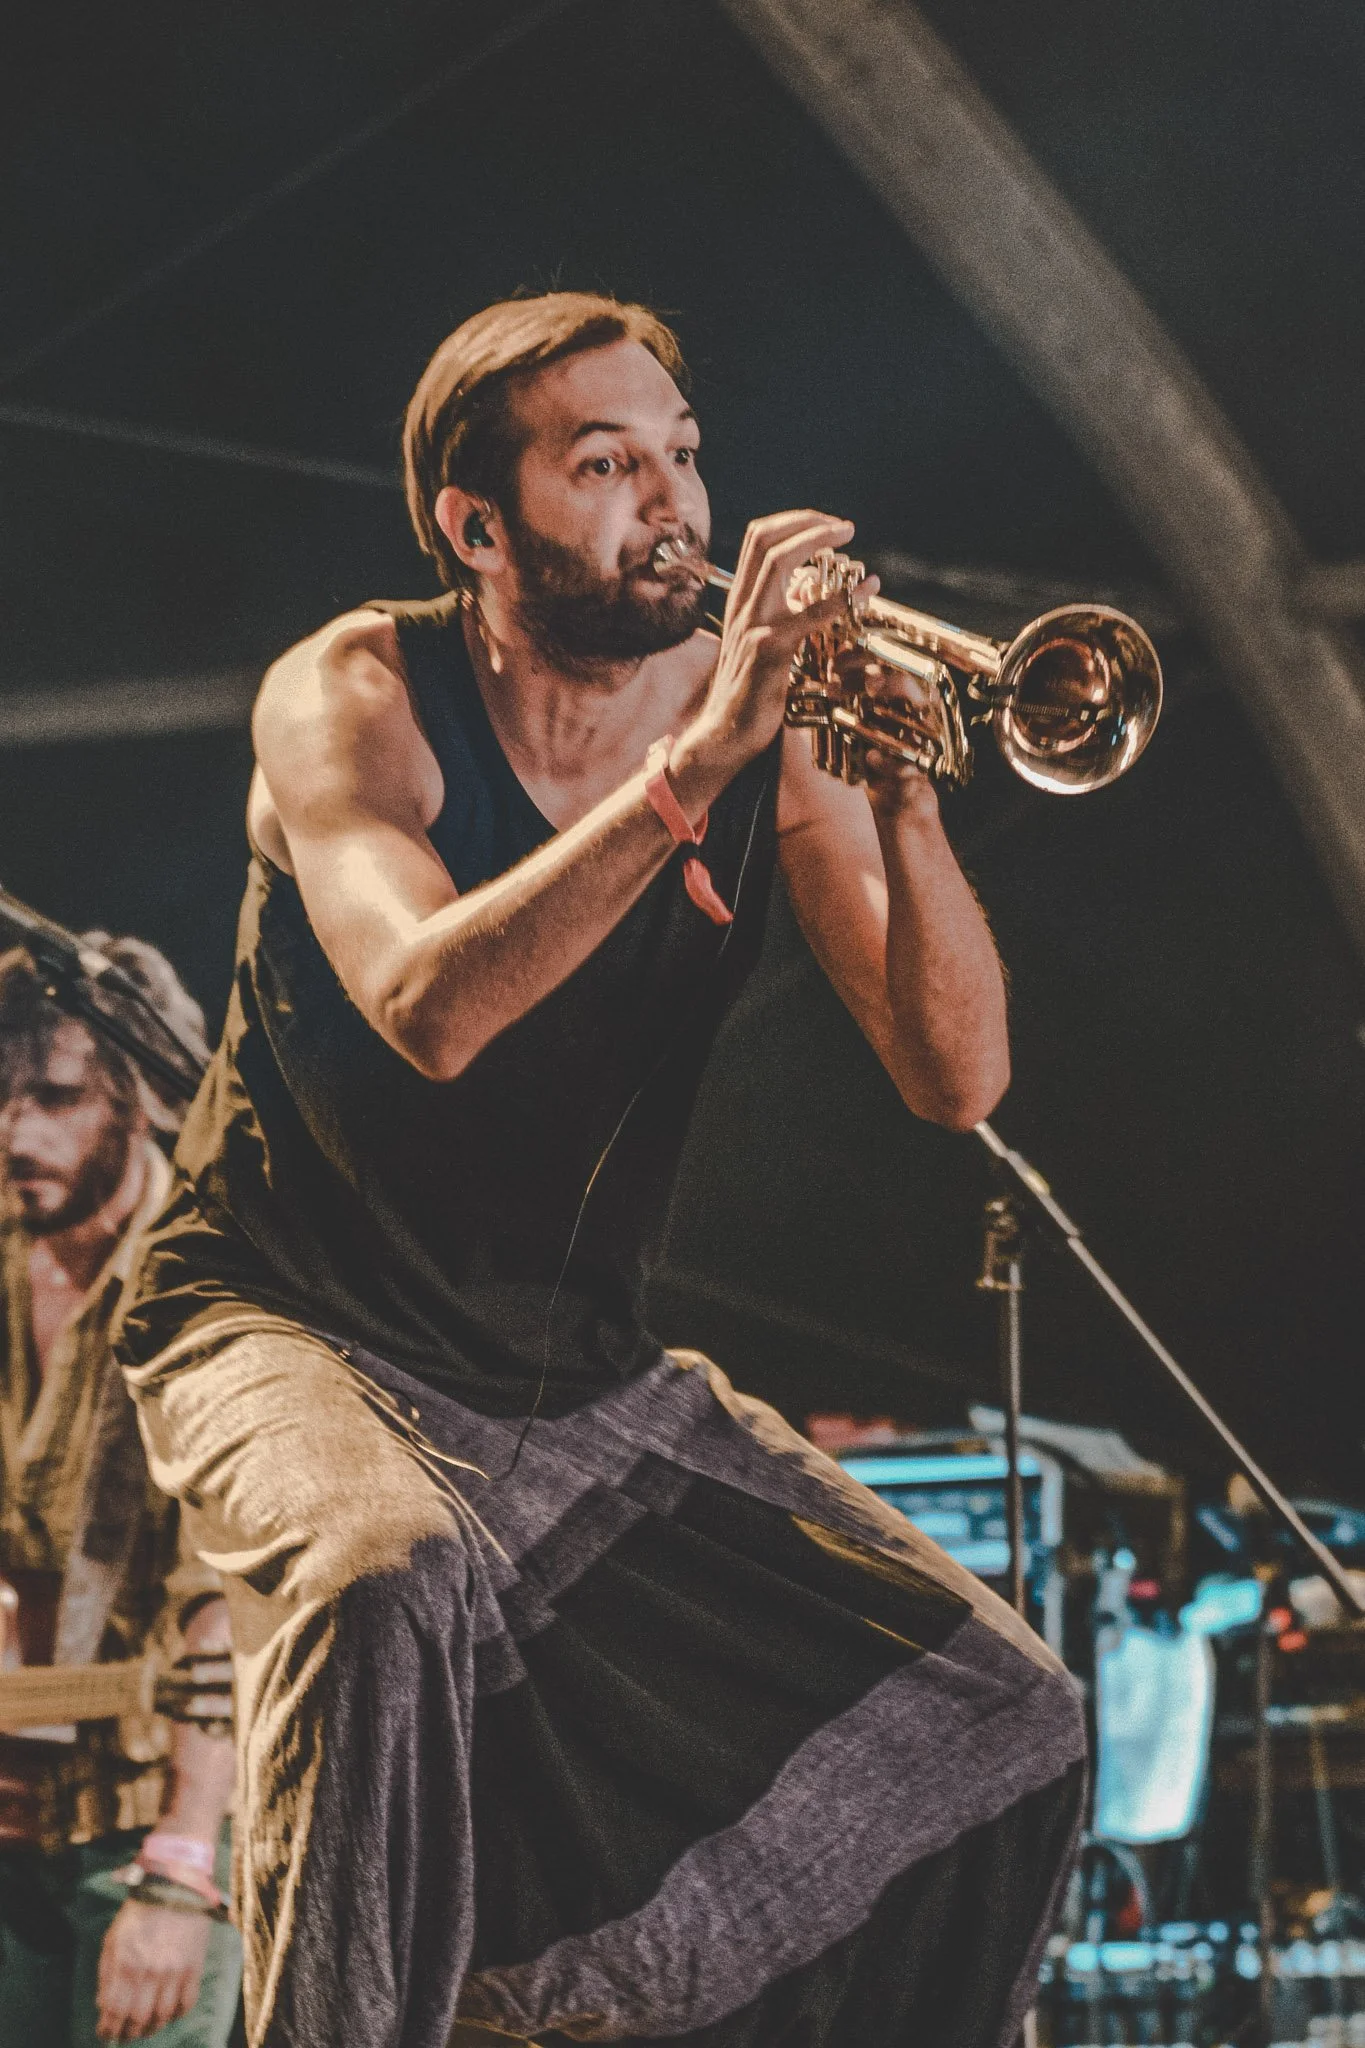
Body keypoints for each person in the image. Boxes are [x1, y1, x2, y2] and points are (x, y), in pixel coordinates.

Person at [116, 292, 1086, 2048]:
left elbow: (960, 1079)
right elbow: (427, 1005)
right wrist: (697, 758)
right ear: (478, 526)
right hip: (283, 1318)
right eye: (606, 462)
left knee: (1003, 1713)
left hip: (566, 1368)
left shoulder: (761, 737)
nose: (676, 504)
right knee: (380, 1572)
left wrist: (908, 801)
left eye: (686, 457)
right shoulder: (359, 693)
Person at [0, 938, 241, 2045]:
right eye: (4, 1099)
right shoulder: (8, 1259)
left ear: (138, 1102)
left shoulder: (205, 1270)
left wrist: (183, 1869)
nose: (17, 1133)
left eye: (55, 1097)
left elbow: (230, 1601)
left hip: (154, 1828)